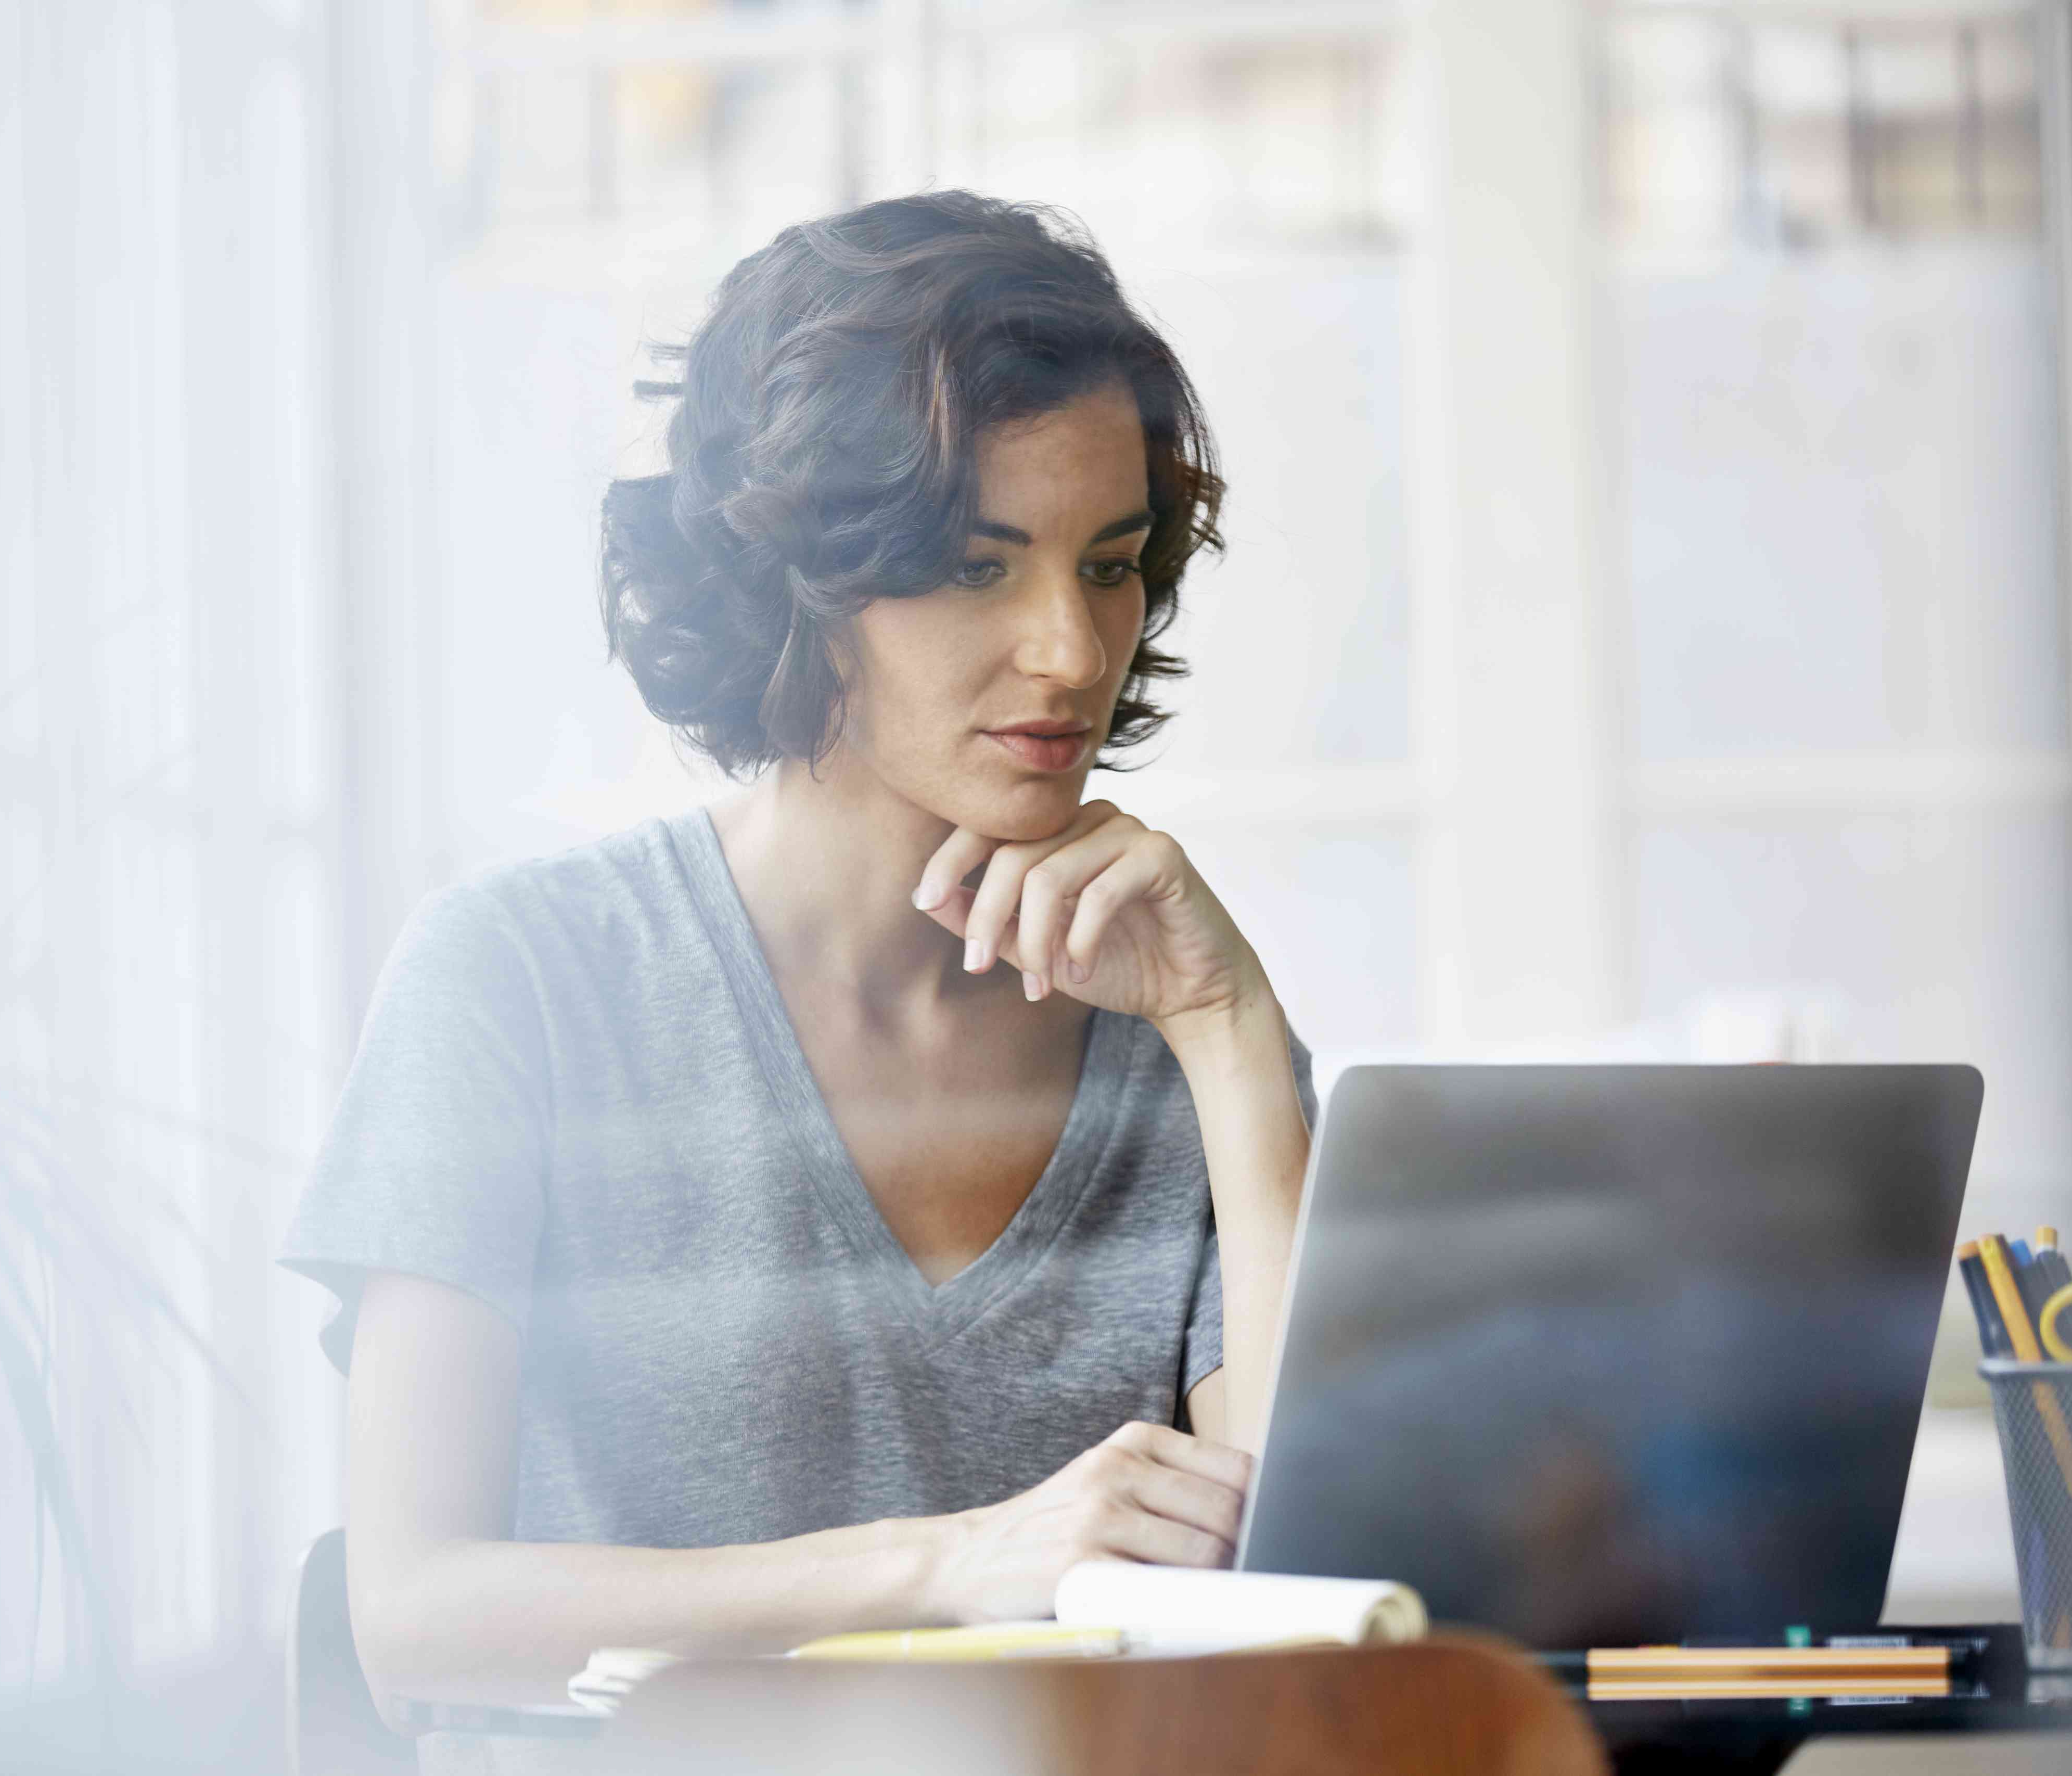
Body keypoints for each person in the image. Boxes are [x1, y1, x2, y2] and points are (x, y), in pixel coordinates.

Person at [279, 191, 1317, 1718]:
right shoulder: (522, 981)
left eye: (1110, 563)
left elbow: (1301, 1591)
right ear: (801, 585)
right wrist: (953, 1564)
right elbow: (415, 1610)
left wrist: (1233, 1037)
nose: (1074, 652)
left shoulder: (1180, 1022)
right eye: (979, 567)